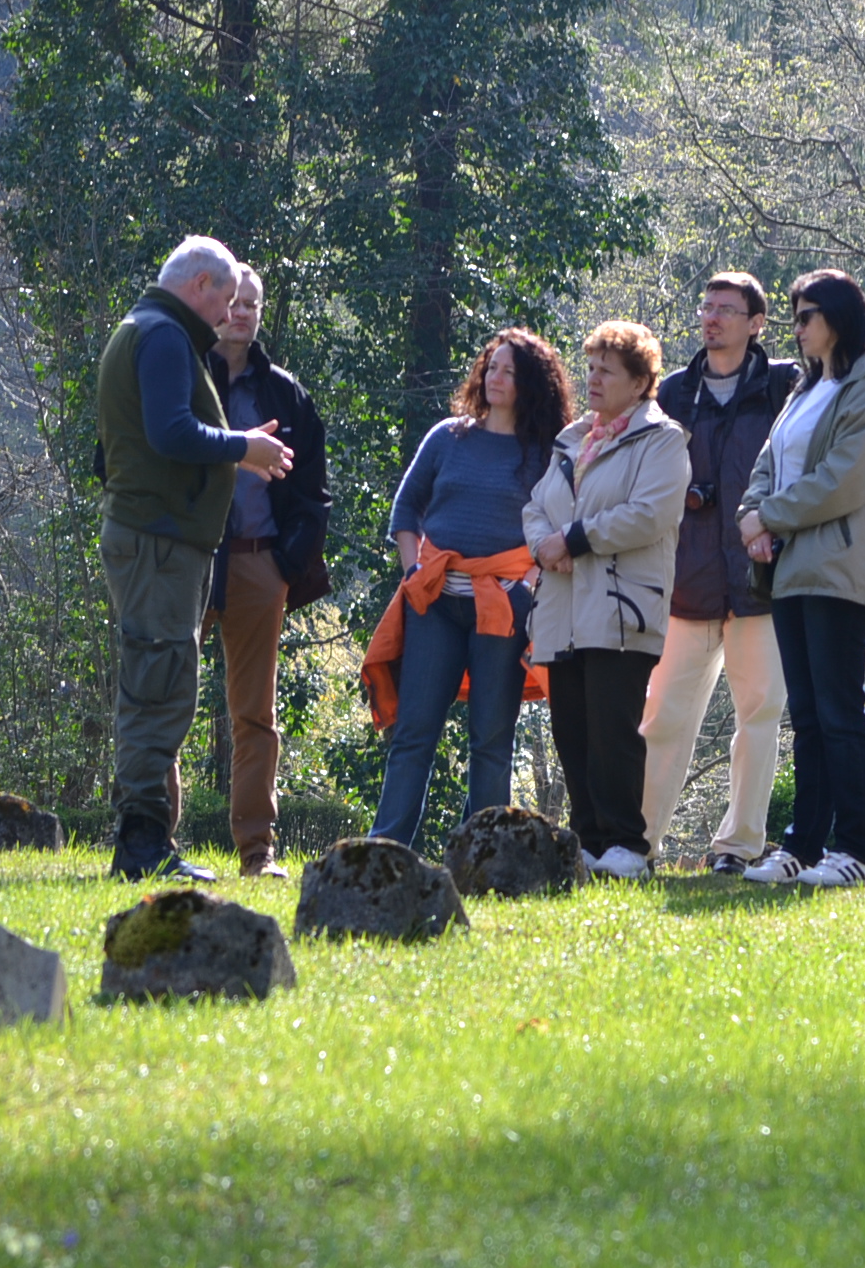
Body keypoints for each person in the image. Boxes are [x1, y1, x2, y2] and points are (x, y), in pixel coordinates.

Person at [96, 236, 293, 881]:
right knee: (159, 688)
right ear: (201, 285)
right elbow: (170, 432)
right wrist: (242, 448)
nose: (228, 314)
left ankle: (144, 842)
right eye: (226, 299)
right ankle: (142, 847)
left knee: (155, 684)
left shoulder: (147, 327)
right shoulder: (162, 335)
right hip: (158, 544)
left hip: (156, 539)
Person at [735, 270, 865, 888]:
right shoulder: (805, 388)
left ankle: (858, 850)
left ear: (838, 317)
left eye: (806, 315)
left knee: (840, 711)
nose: (797, 327)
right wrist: (751, 518)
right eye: (795, 315)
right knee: (808, 716)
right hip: (791, 568)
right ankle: (802, 848)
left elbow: (846, 479)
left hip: (841, 565)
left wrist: (768, 516)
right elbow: (768, 463)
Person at [362, 330, 570, 850]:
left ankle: (485, 855)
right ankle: (386, 850)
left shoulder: (545, 452)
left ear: (531, 385)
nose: (496, 378)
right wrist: (413, 571)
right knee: (413, 733)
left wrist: (527, 584)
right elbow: (406, 509)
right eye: (492, 366)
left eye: (510, 371)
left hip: (503, 608)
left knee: (492, 741)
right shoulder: (447, 437)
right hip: (434, 603)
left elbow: (559, 527)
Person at [163, 266, 332, 878]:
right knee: (167, 699)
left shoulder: (286, 394)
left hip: (260, 564)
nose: (241, 313)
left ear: (260, 314)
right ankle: (156, 842)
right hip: (188, 558)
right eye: (233, 301)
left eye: (252, 305)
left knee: (256, 716)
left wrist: (285, 564)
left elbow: (313, 492)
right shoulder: (181, 373)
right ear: (215, 303)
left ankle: (258, 852)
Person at [642, 273, 799, 873]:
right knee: (662, 716)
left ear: (756, 324)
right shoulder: (674, 393)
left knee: (758, 715)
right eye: (707, 307)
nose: (712, 318)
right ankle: (640, 842)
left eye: (727, 310)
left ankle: (738, 847)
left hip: (760, 581)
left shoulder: (784, 386)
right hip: (687, 582)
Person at [525, 322, 691, 879]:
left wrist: (573, 539)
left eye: (607, 371)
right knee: (572, 731)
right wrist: (545, 546)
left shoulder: (663, 440)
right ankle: (590, 843)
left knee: (612, 732)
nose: (593, 378)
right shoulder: (571, 438)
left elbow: (650, 513)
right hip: (563, 608)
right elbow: (535, 507)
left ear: (641, 382)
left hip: (621, 609)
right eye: (591, 367)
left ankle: (627, 845)